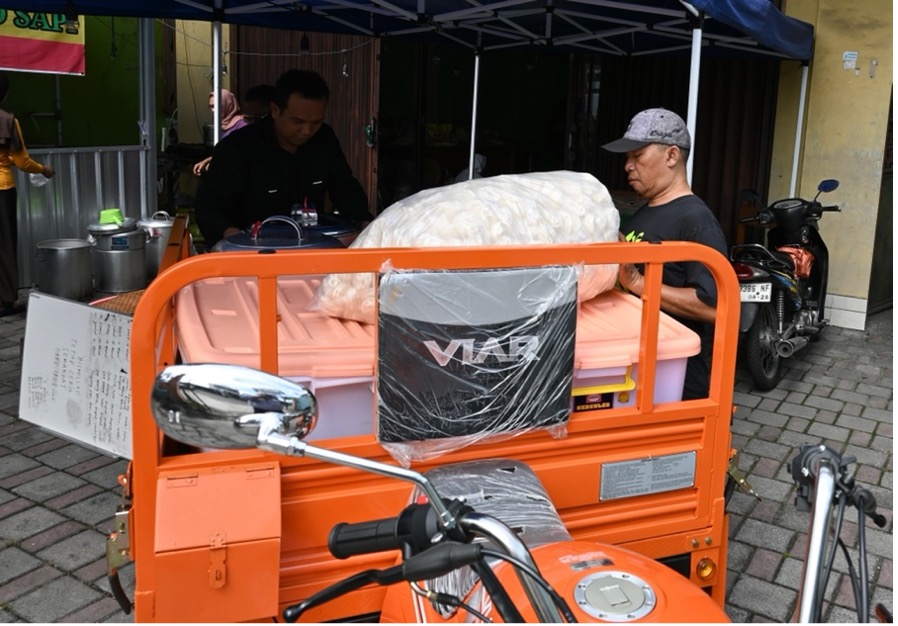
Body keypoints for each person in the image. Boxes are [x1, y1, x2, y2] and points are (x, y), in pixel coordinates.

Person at [602, 107, 727, 400]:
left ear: (671, 156)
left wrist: (639, 283)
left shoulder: (696, 219)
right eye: (627, 158)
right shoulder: (645, 211)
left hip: (676, 383)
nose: (628, 166)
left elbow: (715, 308)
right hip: (639, 373)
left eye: (637, 156)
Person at [194, 69, 372, 247]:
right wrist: (234, 237)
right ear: (275, 110)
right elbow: (209, 208)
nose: (307, 131)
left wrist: (367, 226)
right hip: (252, 251)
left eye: (316, 122)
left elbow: (346, 190)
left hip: (312, 248)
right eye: (298, 121)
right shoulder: (237, 148)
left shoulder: (324, 140)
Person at [0, 72, 55, 316]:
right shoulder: (8, 121)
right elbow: (23, 162)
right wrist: (44, 170)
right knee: (5, 245)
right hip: (2, 189)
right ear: (5, 94)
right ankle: (6, 301)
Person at [193, 89, 249, 176]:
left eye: (215, 106)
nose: (212, 110)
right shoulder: (222, 124)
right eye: (211, 106)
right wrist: (207, 162)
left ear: (227, 105)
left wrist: (210, 162)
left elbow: (238, 153)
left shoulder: (242, 125)